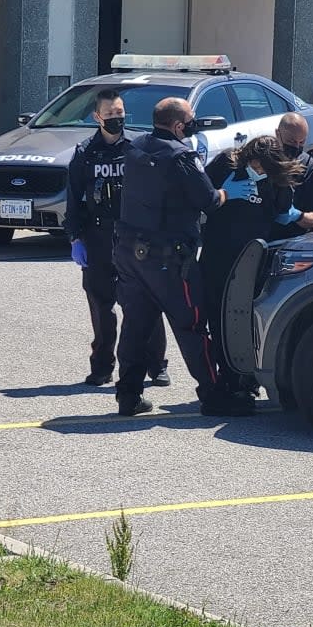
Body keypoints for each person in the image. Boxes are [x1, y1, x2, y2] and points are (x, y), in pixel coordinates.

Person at [113, 97, 257, 417]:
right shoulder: (182, 156)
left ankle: (128, 395)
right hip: (169, 261)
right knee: (191, 326)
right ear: (179, 126)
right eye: (190, 120)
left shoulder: (135, 148)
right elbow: (208, 200)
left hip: (129, 254)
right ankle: (214, 395)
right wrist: (228, 191)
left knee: (136, 326)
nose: (193, 125)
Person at [65, 89, 169, 387]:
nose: (116, 118)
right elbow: (74, 200)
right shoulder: (84, 153)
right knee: (101, 305)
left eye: (120, 113)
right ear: (97, 117)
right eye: (110, 114)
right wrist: (75, 239)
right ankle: (102, 366)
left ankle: (156, 365)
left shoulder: (138, 148)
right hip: (97, 236)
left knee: (146, 301)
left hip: (134, 236)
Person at [200, 136, 304, 398]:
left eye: (264, 170)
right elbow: (200, 198)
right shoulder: (226, 164)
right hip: (218, 258)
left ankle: (248, 379)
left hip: (253, 263)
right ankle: (225, 377)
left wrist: (294, 215)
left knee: (248, 321)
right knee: (218, 319)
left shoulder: (276, 179)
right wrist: (223, 194)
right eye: (256, 167)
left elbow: (282, 214)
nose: (258, 173)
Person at [270, 112, 313, 240]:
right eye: (291, 141)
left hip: (292, 240)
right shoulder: (264, 163)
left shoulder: (311, 169)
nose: (296, 147)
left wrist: (297, 216)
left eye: (301, 142)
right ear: (277, 134)